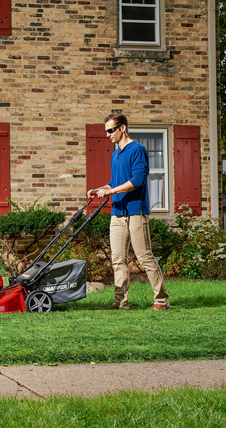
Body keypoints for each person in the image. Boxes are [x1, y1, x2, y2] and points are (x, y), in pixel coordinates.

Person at [87, 113, 170, 310]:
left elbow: (138, 180)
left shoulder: (137, 150)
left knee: (145, 257)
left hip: (135, 212)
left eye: (110, 130)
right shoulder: (115, 154)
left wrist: (112, 190)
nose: (108, 135)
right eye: (106, 131)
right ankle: (121, 302)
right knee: (117, 260)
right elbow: (115, 183)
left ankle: (161, 301)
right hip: (118, 212)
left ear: (122, 128)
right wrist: (101, 189)